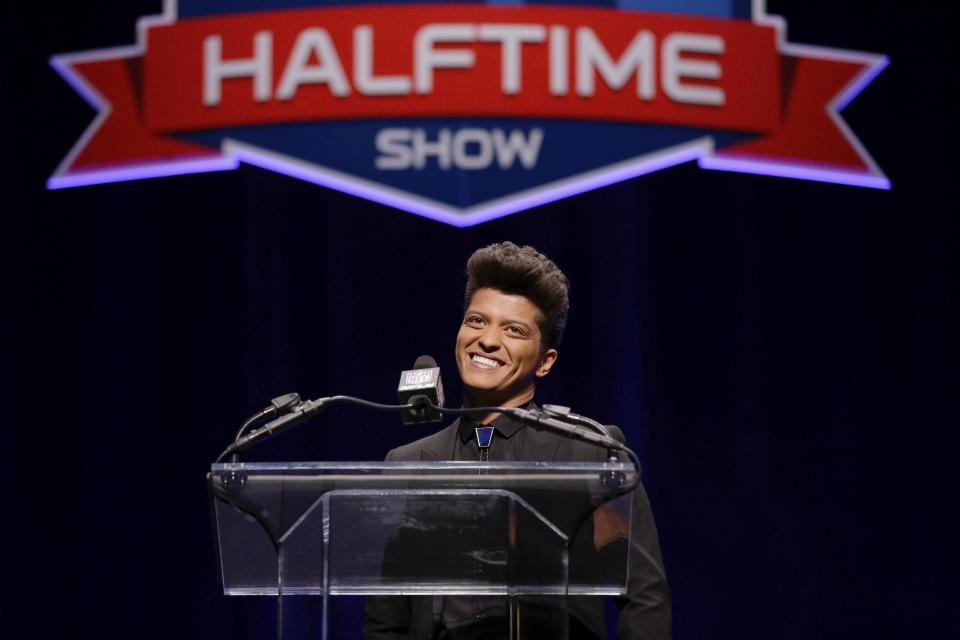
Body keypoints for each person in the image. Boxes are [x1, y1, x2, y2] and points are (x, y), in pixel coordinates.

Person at [364, 242, 670, 639]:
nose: (487, 341)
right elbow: (386, 622)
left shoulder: (591, 452)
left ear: (545, 361)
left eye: (513, 330)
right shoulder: (408, 463)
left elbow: (644, 597)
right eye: (476, 321)